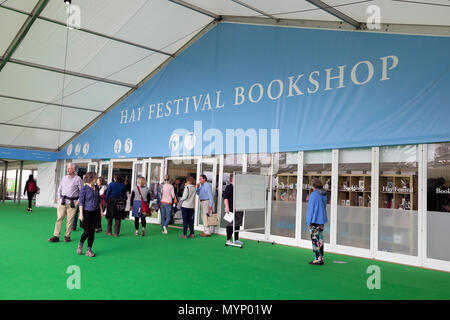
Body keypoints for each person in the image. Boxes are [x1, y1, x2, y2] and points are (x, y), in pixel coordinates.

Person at [48, 163, 83, 243]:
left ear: (74, 169)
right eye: (67, 168)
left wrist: (78, 201)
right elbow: (59, 189)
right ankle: (56, 236)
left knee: (70, 220)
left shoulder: (78, 179)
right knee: (59, 218)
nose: (68, 169)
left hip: (72, 203)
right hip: (62, 202)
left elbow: (82, 192)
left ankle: (67, 236)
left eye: (70, 168)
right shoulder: (64, 178)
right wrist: (59, 198)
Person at [77, 172, 102, 257]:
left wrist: (101, 211)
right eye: (95, 178)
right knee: (87, 232)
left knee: (92, 232)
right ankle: (81, 243)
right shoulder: (84, 189)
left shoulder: (97, 187)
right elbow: (81, 202)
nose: (97, 179)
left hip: (95, 212)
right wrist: (81, 214)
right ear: (91, 178)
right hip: (87, 212)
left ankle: (89, 249)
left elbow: (98, 200)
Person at [306, 178, 328, 265]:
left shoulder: (313, 195)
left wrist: (308, 222)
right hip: (321, 219)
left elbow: (310, 209)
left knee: (315, 239)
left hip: (314, 220)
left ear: (313, 186)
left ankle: (317, 258)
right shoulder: (324, 194)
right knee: (320, 238)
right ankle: (321, 257)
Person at [223, 174, 244, 245]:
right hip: (231, 209)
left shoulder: (239, 188)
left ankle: (236, 239)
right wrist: (227, 208)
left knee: (237, 224)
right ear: (232, 179)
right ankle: (228, 239)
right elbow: (225, 198)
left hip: (239, 208)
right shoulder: (229, 187)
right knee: (230, 224)